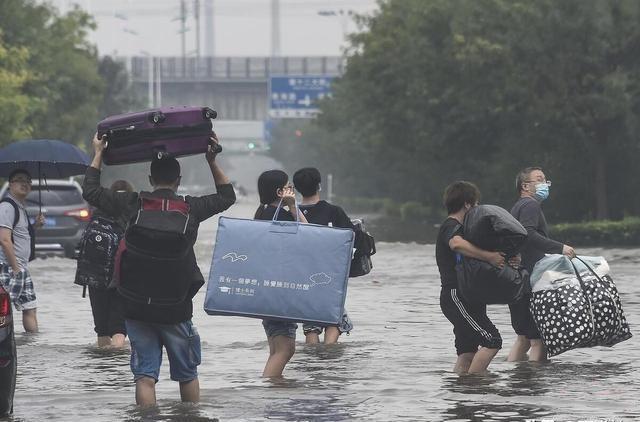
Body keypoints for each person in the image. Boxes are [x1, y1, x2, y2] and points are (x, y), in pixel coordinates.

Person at [82, 132, 235, 405]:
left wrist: (99, 153)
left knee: (144, 377)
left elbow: (90, 190)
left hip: (136, 307)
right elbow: (227, 196)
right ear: (179, 181)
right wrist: (211, 160)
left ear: (151, 180)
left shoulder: (132, 204)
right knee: (187, 375)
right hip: (176, 308)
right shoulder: (191, 208)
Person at [435, 181, 505, 374]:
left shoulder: (465, 230)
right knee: (492, 340)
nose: (477, 209)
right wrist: (490, 257)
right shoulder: (451, 226)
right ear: (467, 204)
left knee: (467, 352)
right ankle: (476, 386)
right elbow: (456, 244)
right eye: (475, 205)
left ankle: (463, 395)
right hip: (456, 296)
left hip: (470, 296)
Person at [508, 167, 576, 362]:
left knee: (523, 338)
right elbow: (528, 234)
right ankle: (535, 384)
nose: (544, 184)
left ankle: (515, 377)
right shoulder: (530, 206)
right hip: (530, 278)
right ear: (525, 186)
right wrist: (560, 248)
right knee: (539, 339)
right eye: (539, 179)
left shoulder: (517, 207)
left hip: (516, 277)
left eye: (546, 180)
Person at [253, 170, 308, 377]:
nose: (293, 191)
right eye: (289, 187)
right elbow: (311, 235)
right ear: (280, 192)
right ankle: (270, 392)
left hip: (267, 289)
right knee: (285, 349)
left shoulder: (262, 213)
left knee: (277, 348)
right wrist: (293, 207)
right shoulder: (282, 217)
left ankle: (272, 392)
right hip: (281, 290)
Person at [292, 167, 354, 344]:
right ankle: (329, 354)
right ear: (319, 185)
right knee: (334, 319)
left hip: (302, 276)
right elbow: (351, 239)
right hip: (331, 276)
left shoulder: (290, 214)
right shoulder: (334, 212)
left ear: (296, 189)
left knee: (310, 325)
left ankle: (313, 356)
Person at [86, 179, 134, 349]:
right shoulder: (133, 212)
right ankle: (116, 363)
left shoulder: (98, 214)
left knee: (102, 328)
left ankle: (103, 366)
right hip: (122, 277)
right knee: (119, 326)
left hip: (96, 277)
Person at [0, 169, 44, 333]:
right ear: (10, 185)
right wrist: (15, 268)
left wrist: (35, 226)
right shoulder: (7, 206)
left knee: (30, 308)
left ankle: (32, 347)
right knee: (3, 312)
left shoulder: (20, 207)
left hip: (20, 268)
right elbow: (4, 239)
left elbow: (20, 236)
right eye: (19, 180)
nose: (24, 183)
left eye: (28, 180)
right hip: (8, 267)